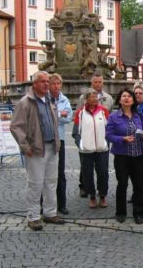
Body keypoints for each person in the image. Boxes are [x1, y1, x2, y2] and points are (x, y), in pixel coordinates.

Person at [10, 71, 65, 230]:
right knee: (35, 184)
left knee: (51, 182)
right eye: (43, 81)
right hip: (35, 150)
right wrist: (25, 146)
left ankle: (49, 213)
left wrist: (57, 143)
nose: (46, 84)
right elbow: (15, 126)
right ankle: (33, 216)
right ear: (34, 84)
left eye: (48, 81)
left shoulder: (50, 100)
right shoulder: (25, 102)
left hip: (52, 147)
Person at [106, 89, 143, 224]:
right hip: (122, 156)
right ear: (119, 100)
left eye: (129, 96)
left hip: (138, 155)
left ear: (133, 100)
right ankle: (120, 212)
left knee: (139, 185)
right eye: (123, 96)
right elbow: (108, 135)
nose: (126, 98)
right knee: (122, 184)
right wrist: (122, 139)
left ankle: (138, 213)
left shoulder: (139, 115)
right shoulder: (114, 116)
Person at [77, 73, 114, 197]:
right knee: (86, 167)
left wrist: (107, 139)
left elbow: (109, 120)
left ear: (103, 83)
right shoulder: (83, 97)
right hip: (87, 137)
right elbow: (78, 115)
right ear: (91, 83)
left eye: (100, 82)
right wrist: (80, 142)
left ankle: (101, 193)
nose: (98, 84)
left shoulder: (108, 98)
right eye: (95, 82)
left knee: (103, 169)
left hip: (101, 137)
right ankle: (84, 187)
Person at [72, 89, 110, 209]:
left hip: (102, 149)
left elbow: (109, 129)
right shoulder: (80, 113)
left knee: (103, 173)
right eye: (92, 97)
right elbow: (75, 132)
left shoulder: (103, 111)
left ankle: (103, 195)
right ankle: (92, 196)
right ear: (86, 99)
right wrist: (81, 144)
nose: (94, 99)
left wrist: (106, 143)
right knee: (87, 174)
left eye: (96, 97)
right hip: (86, 150)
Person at [49, 73, 72, 215]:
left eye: (59, 83)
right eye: (54, 83)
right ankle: (44, 203)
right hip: (46, 139)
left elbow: (68, 117)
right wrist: (59, 114)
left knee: (60, 173)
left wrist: (55, 115)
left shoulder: (64, 99)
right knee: (45, 174)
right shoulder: (44, 99)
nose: (57, 86)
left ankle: (61, 204)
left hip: (60, 140)